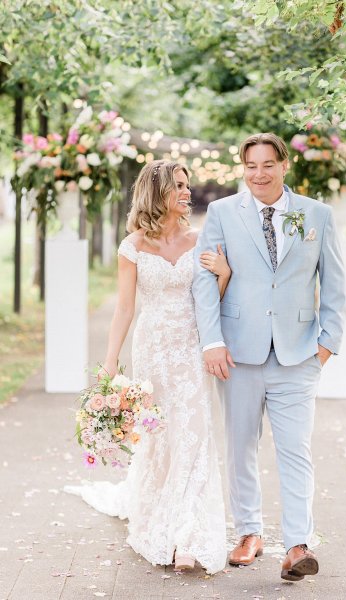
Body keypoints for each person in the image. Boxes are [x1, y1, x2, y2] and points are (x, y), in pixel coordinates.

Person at [193, 133, 346, 582]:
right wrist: (211, 341)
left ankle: (298, 545)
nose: (258, 174)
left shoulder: (316, 215)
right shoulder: (222, 213)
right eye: (250, 166)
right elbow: (206, 281)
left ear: (285, 165)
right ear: (242, 168)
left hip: (299, 354)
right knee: (240, 446)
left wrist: (326, 344)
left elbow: (334, 283)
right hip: (238, 352)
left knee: (295, 449)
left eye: (267, 165)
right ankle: (248, 532)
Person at [65, 159, 230, 574]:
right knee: (160, 436)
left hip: (191, 347)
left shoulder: (200, 240)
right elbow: (124, 308)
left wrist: (224, 275)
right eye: (178, 186)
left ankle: (187, 531)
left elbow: (212, 300)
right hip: (153, 348)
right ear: (157, 192)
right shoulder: (133, 246)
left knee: (194, 431)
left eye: (186, 185)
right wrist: (109, 364)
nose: (186, 193)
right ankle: (161, 514)